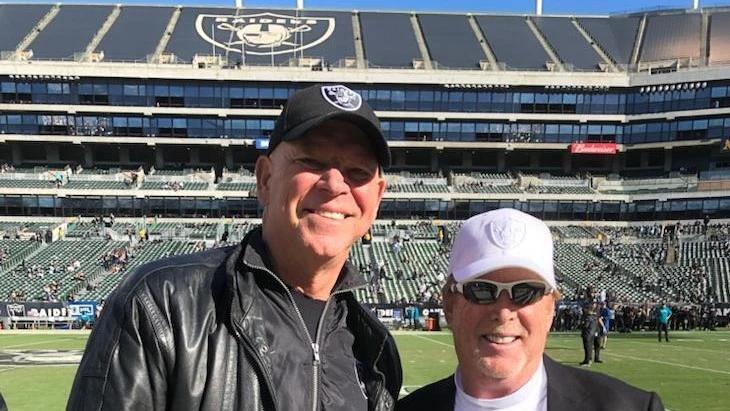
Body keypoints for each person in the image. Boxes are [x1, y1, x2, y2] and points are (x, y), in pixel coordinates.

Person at [67, 84, 402, 410]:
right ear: (265, 179)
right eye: (312, 161)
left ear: (377, 199)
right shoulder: (163, 306)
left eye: (358, 171)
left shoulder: (376, 350)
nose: (335, 184)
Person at [398, 208, 664, 411]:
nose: (504, 312)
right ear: (449, 304)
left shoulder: (631, 407)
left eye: (526, 291)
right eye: (481, 289)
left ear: (551, 307)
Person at [580, 302, 604, 366]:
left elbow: (585, 325)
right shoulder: (594, 316)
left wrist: (581, 324)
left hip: (588, 333)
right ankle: (588, 360)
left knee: (588, 347)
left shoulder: (588, 316)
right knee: (590, 347)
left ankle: (588, 360)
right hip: (593, 333)